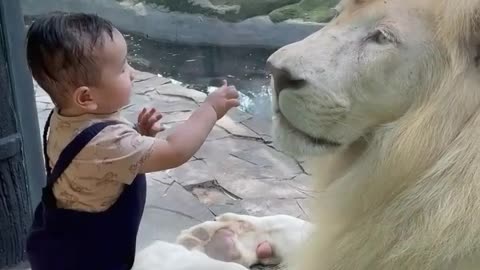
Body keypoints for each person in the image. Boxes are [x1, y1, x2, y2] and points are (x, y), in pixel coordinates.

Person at [24, 12, 239, 270]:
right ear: (85, 97)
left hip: (59, 239)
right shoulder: (109, 143)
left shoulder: (66, 117)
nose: (133, 73)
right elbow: (175, 150)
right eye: (123, 67)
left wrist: (139, 134)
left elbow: (98, 162)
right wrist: (210, 109)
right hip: (89, 257)